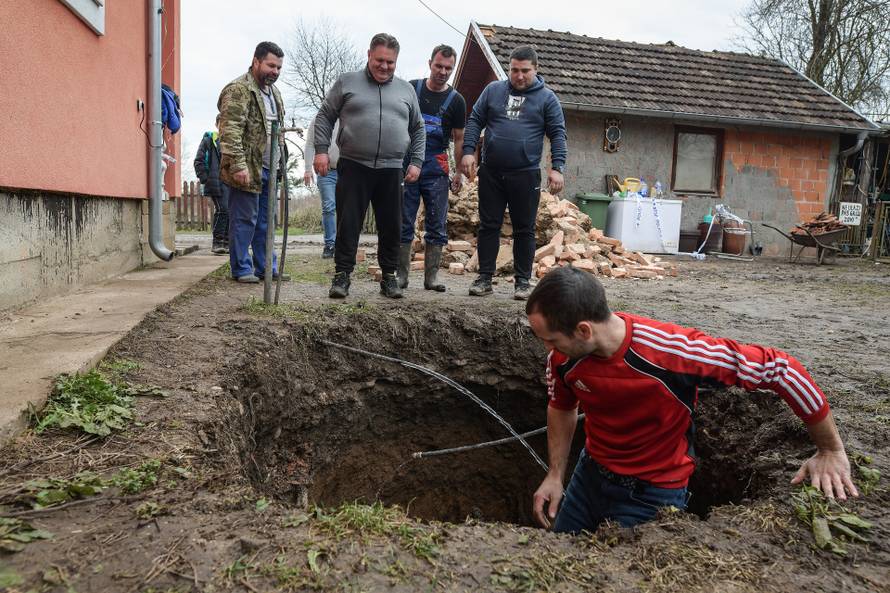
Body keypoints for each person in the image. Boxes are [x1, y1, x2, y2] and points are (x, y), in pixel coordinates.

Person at [526, 266, 858, 534]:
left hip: (651, 495)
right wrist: (556, 475)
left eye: (552, 340)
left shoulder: (672, 351)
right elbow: (562, 406)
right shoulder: (564, 359)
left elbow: (782, 369)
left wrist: (830, 449)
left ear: (584, 330)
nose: (548, 350)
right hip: (588, 478)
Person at [314, 33, 425, 299]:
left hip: (392, 168)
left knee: (391, 225)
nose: (384, 67)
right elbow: (325, 116)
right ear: (369, 55)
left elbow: (418, 128)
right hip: (354, 165)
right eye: (380, 60)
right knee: (348, 223)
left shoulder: (406, 90)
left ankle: (389, 277)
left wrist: (417, 161)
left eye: (390, 62)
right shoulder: (347, 82)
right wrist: (320, 151)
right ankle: (342, 276)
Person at [460, 45, 568, 301]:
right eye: (514, 70)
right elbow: (475, 120)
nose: (519, 76)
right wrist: (468, 151)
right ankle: (484, 278)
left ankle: (522, 282)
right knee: (488, 226)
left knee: (524, 229)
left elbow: (557, 134)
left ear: (536, 69)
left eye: (525, 71)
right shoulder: (493, 91)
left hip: (526, 174)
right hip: (492, 172)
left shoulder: (547, 98)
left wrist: (557, 168)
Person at [396, 45, 467, 292]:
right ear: (429, 63)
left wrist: (458, 171)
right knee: (404, 219)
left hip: (437, 165)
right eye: (439, 66)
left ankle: (431, 278)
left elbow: (459, 138)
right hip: (407, 163)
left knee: (437, 221)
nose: (443, 71)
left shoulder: (456, 101)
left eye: (448, 68)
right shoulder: (410, 89)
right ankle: (401, 276)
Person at [217, 41, 286, 283]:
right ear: (256, 61)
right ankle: (242, 269)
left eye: (278, 67)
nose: (275, 72)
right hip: (248, 167)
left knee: (266, 222)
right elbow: (230, 129)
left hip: (270, 166)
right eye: (270, 65)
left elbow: (277, 130)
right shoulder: (238, 89)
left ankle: (266, 267)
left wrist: (281, 161)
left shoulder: (273, 93)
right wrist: (237, 164)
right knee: (245, 219)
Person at [303, 114, 340, 259]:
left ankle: (343, 244)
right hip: (327, 172)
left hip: (348, 171)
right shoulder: (318, 121)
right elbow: (310, 144)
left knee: (347, 208)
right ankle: (330, 244)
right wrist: (307, 169)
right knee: (329, 206)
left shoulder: (349, 116)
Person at [194, 115, 228, 254]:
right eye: (222, 123)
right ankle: (218, 242)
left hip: (229, 183)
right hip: (215, 182)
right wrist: (206, 179)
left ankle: (227, 243)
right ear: (216, 124)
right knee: (223, 209)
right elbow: (199, 161)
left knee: (230, 212)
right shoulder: (209, 140)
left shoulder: (232, 142)